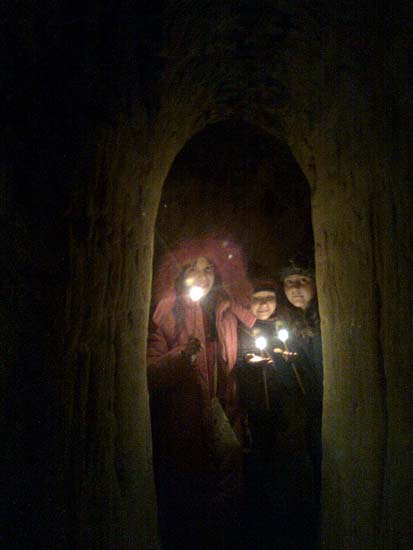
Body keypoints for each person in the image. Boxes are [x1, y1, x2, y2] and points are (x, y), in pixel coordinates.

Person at [147, 236, 255, 550]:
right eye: (193, 268)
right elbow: (149, 371)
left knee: (226, 489)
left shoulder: (224, 311)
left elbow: (229, 368)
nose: (202, 276)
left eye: (207, 269)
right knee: (190, 497)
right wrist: (181, 357)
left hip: (224, 416)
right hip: (184, 422)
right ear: (180, 274)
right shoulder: (167, 314)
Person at [280, 255, 323, 545]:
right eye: (289, 282)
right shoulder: (292, 323)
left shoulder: (324, 317)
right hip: (311, 408)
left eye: (303, 280)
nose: (295, 288)